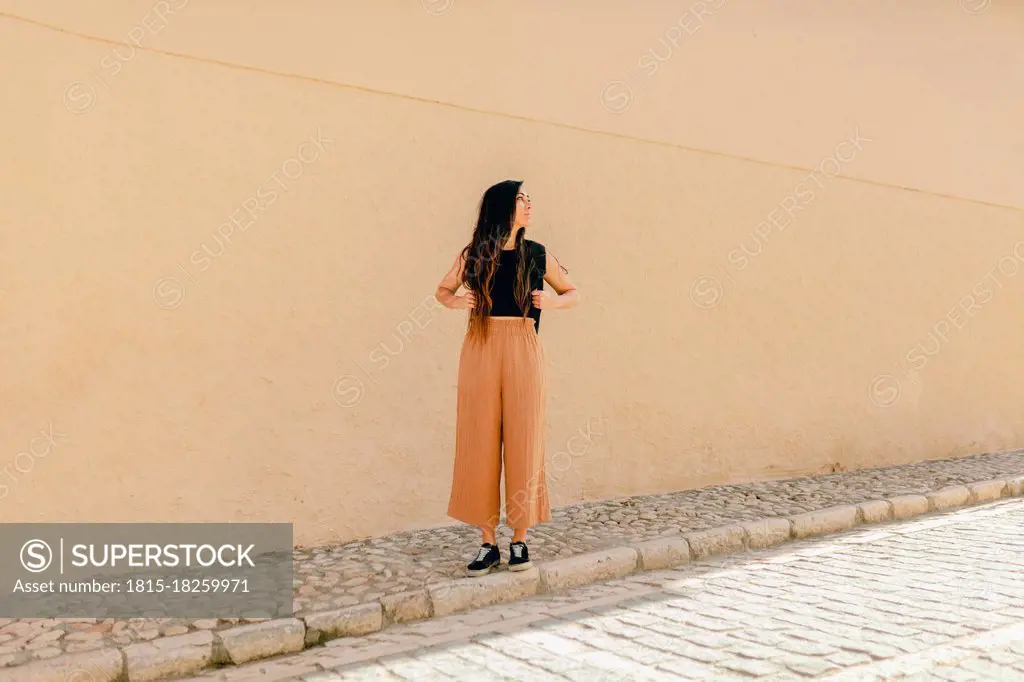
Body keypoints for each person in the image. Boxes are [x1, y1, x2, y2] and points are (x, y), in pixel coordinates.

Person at [434, 180, 580, 576]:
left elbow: (572, 292)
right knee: (479, 439)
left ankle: (519, 540)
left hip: (523, 343)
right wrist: (454, 300)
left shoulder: (537, 254)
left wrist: (551, 301)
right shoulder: (475, 254)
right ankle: (487, 543)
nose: (529, 204)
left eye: (530, 198)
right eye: (522, 199)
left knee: (524, 439)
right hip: (481, 343)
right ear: (503, 206)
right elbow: (442, 290)